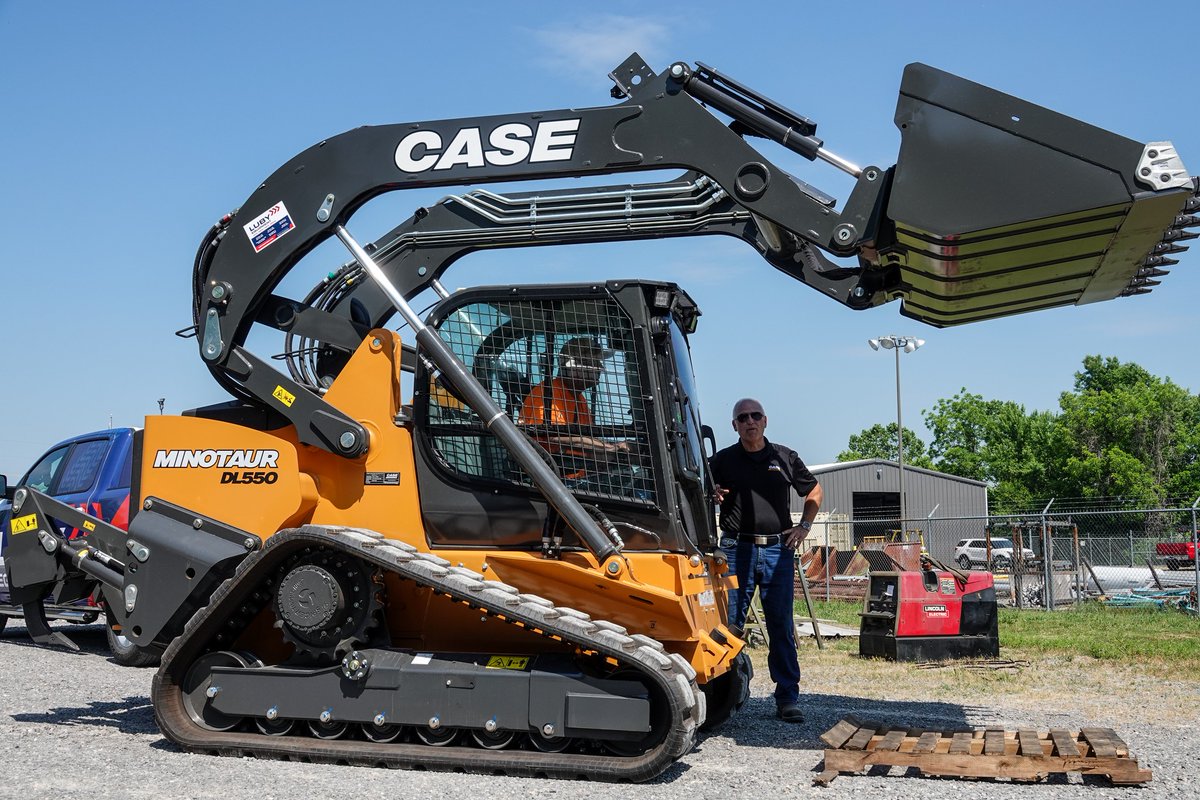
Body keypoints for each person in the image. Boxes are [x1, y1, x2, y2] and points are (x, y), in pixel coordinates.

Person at [710, 397, 823, 723]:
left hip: (778, 551)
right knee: (728, 626)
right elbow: (698, 490)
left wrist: (804, 526)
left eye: (755, 415)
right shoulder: (721, 461)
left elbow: (814, 491)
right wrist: (711, 493)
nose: (750, 421)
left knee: (780, 625)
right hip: (736, 550)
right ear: (734, 425)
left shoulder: (784, 457)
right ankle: (718, 698)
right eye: (743, 417)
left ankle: (787, 698)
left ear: (765, 420)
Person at [519, 337, 629, 478]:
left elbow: (588, 441)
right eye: (594, 362)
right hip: (549, 480)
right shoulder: (548, 393)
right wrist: (610, 449)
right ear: (573, 365)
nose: (601, 367)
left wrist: (618, 450)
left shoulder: (579, 400)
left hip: (577, 478)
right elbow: (553, 436)